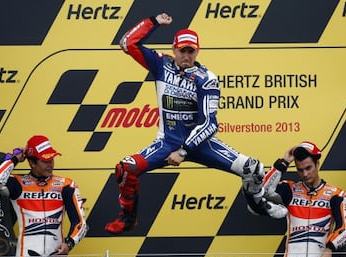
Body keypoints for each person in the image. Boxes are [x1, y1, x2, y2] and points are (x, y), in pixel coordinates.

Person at [104, 12, 287, 234]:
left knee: (254, 168)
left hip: (199, 144)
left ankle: (257, 203)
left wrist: (184, 150)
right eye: (182, 50)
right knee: (125, 168)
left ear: (197, 51)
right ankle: (128, 218)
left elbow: (210, 124)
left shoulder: (206, 78)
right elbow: (127, 43)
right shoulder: (160, 64)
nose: (186, 55)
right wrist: (152, 23)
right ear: (174, 50)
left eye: (191, 51)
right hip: (167, 143)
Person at [247, 141, 346, 257]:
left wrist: (329, 249)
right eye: (300, 170)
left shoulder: (336, 195)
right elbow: (263, 190)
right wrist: (284, 162)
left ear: (317, 164)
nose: (305, 174)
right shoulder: (290, 189)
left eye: (308, 168)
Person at [0, 135, 88, 257]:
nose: (50, 164)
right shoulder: (18, 184)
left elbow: (81, 223)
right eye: (45, 161)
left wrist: (69, 244)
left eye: (52, 159)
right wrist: (15, 159)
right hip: (27, 255)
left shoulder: (66, 185)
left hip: (57, 254)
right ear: (32, 163)